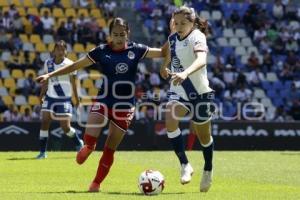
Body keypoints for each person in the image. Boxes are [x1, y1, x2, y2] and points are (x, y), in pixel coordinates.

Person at [36, 17, 163, 192]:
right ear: (109, 35)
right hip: (104, 100)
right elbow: (75, 66)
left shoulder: (137, 50)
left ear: (128, 34)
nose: (119, 38)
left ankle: (95, 184)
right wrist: (49, 76)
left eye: (122, 34)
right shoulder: (101, 51)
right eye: (115, 34)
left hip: (125, 107)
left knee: (110, 149)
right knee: (90, 137)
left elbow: (164, 52)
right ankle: (88, 146)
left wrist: (174, 36)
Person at [160, 6, 215, 192]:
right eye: (177, 23)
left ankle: (208, 168)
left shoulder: (197, 36)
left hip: (200, 91)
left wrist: (185, 73)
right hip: (179, 88)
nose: (180, 26)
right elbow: (170, 55)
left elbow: (201, 60)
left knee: (204, 137)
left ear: (192, 23)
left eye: (184, 23)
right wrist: (164, 67)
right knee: (170, 119)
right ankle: (185, 164)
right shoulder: (172, 38)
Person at [36, 40, 83, 159]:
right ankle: (42, 153)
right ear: (54, 51)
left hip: (64, 99)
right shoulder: (48, 63)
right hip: (50, 97)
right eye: (58, 49)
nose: (61, 51)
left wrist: (77, 100)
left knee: (65, 127)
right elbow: (46, 80)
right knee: (45, 121)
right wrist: (41, 94)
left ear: (66, 51)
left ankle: (78, 143)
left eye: (63, 49)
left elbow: (74, 83)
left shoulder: (70, 64)